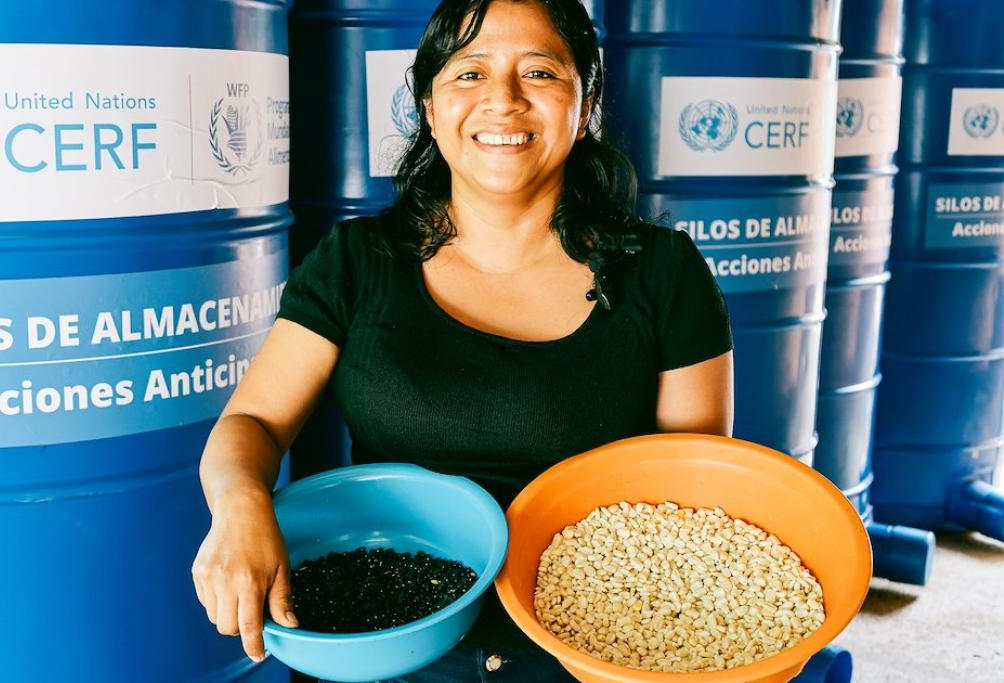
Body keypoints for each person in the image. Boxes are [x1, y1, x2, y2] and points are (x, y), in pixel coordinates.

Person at [192, 0, 734, 679]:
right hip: (383, 644)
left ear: (585, 100)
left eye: (538, 72)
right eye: (469, 74)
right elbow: (253, 421)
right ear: (427, 103)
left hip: (590, 650)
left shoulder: (663, 271)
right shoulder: (357, 260)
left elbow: (692, 494)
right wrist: (239, 500)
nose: (502, 101)